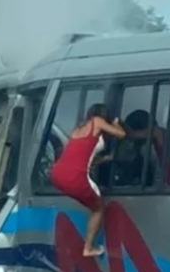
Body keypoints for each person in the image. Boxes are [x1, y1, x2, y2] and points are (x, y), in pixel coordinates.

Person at [49, 103, 125, 257]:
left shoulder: (77, 129)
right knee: (98, 208)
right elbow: (121, 134)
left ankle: (88, 246)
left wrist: (103, 159)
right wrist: (116, 124)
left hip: (58, 173)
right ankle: (88, 247)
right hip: (75, 177)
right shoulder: (97, 121)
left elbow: (81, 157)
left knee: (92, 204)